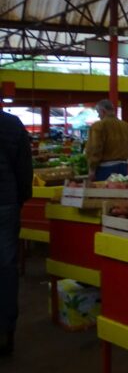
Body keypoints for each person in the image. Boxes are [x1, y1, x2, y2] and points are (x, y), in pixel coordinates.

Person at [0, 111, 32, 356]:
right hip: (6, 202)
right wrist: (20, 198)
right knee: (6, 266)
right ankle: (5, 331)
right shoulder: (12, 124)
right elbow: (24, 168)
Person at [85, 100, 128, 181]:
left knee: (105, 189)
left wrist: (92, 169)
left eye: (98, 113)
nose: (98, 116)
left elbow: (95, 149)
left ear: (103, 111)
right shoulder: (127, 126)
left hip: (104, 170)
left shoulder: (98, 126)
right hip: (124, 169)